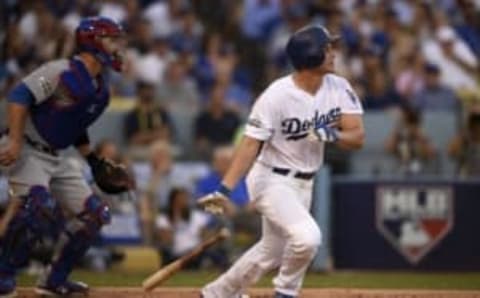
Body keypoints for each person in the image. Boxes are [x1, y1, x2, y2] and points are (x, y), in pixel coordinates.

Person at [197, 25, 365, 298]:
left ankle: (217, 293)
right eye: (326, 48)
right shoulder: (276, 95)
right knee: (308, 239)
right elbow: (250, 143)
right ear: (310, 55)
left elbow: (357, 136)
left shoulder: (339, 86)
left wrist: (332, 134)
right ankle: (285, 292)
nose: (333, 53)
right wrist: (224, 189)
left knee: (271, 250)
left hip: (304, 183)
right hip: (271, 179)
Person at [0, 17, 133, 297]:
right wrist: (13, 139)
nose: (117, 47)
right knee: (38, 205)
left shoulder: (100, 89)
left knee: (96, 214)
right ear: (94, 42)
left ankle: (53, 280)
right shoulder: (60, 71)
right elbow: (19, 96)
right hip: (27, 145)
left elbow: (74, 126)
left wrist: (94, 161)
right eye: (111, 40)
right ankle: (3, 275)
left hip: (56, 155)